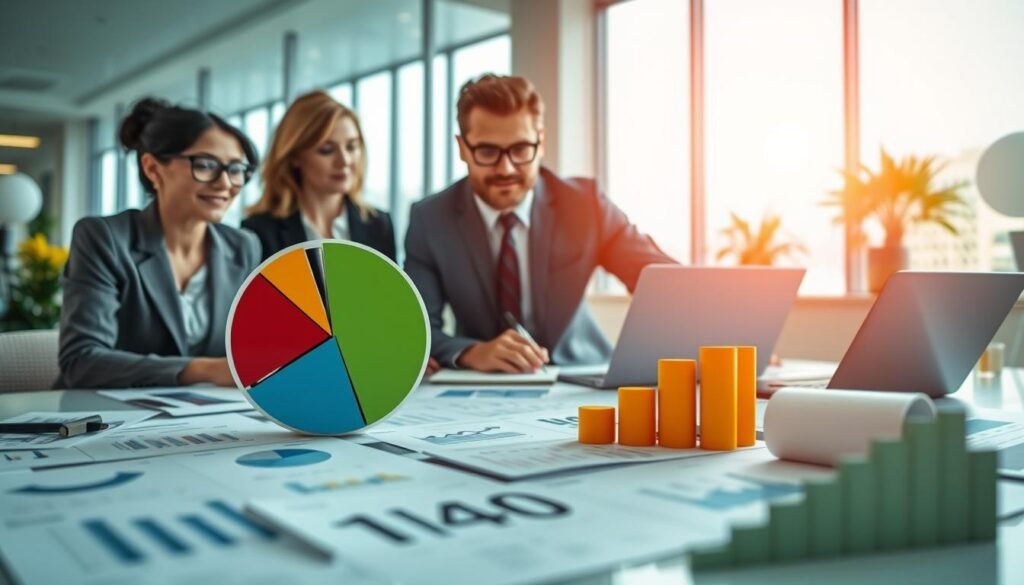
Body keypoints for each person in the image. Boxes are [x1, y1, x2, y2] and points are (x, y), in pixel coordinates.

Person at [404, 74, 675, 373]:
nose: (506, 168)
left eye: (520, 149)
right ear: (462, 147)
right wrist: (471, 352)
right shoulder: (430, 220)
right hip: (483, 382)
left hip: (580, 375)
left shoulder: (586, 205)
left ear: (541, 142)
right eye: (487, 152)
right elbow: (416, 331)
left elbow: (664, 283)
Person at [56, 98, 261, 388]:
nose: (225, 183)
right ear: (153, 168)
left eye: (236, 169)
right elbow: (82, 361)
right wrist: (203, 370)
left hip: (205, 421)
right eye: (206, 165)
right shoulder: (104, 238)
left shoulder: (243, 247)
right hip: (101, 417)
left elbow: (251, 349)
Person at [242, 90, 396, 262]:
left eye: (351, 147)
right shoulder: (259, 232)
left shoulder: (378, 225)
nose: (344, 161)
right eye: (327, 150)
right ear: (295, 156)